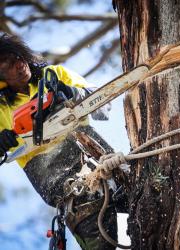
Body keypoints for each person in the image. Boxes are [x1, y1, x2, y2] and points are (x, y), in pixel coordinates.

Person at [0, 32, 123, 250]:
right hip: (66, 190)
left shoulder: (54, 74)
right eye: (9, 64)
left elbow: (103, 106)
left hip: (105, 164)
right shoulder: (1, 109)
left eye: (18, 57)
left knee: (151, 218)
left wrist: (74, 94)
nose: (19, 65)